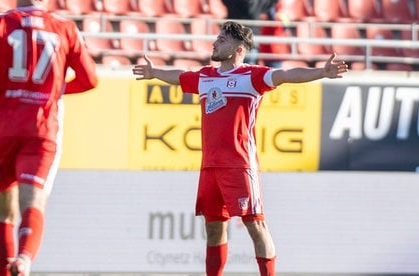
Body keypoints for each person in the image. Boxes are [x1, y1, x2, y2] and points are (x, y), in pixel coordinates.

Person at [132, 21, 347, 276]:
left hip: (240, 166)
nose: (215, 43)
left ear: (239, 49)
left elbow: (288, 75)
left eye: (222, 40)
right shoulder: (205, 77)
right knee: (213, 230)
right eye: (217, 38)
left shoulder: (253, 76)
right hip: (210, 167)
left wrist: (321, 72)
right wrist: (154, 72)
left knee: (256, 227)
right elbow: (178, 77)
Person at [0, 0, 98, 276]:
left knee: (3, 210)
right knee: (33, 201)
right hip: (40, 126)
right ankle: (24, 260)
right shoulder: (63, 27)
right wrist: (56, 89)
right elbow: (90, 79)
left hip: (1, 124)